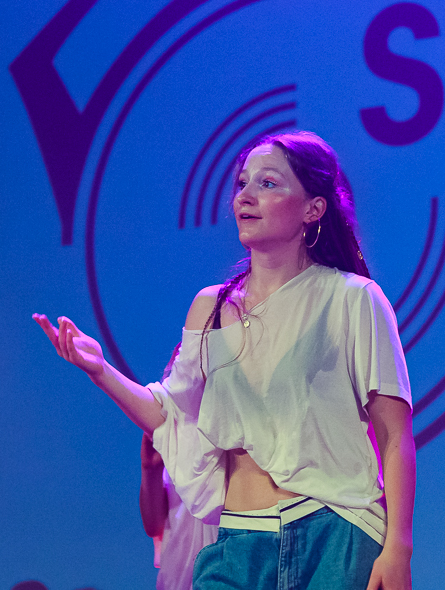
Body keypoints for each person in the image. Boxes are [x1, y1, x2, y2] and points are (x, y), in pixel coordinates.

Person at [35, 131, 415, 589]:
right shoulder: (211, 308)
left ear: (313, 209)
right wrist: (100, 370)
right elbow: (170, 415)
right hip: (239, 541)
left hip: (335, 534)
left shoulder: (353, 299)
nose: (245, 196)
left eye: (268, 183)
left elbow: (394, 435)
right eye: (242, 183)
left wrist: (398, 548)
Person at [139, 346, 218, 590]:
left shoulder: (233, 430)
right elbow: (154, 525)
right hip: (178, 579)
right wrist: (150, 471)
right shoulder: (173, 432)